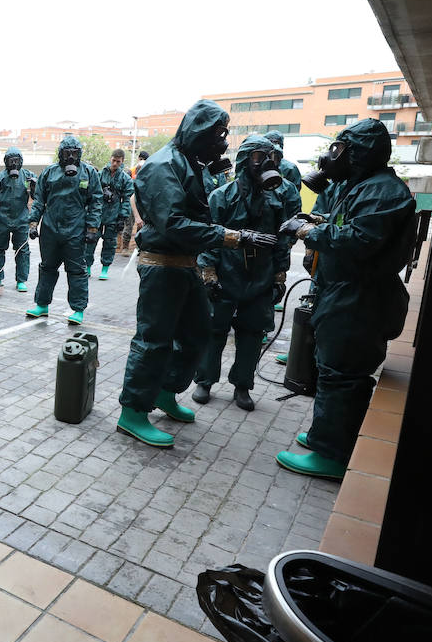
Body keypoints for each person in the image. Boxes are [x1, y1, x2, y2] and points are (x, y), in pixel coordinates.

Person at [116, 100, 279, 448]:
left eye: (224, 134)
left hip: (185, 264)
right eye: (217, 134)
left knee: (196, 334)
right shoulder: (163, 166)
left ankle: (164, 391)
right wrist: (232, 236)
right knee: (153, 340)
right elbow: (174, 223)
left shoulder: (189, 162)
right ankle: (132, 411)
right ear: (198, 132)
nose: (221, 142)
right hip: (163, 265)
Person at [274, 118, 415, 479]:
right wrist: (318, 219)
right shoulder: (365, 185)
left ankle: (332, 454)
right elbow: (346, 224)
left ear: (360, 151)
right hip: (345, 293)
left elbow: (358, 240)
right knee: (333, 368)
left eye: (339, 148)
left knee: (342, 374)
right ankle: (331, 434)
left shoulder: (383, 190)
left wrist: (308, 231)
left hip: (358, 299)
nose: (331, 156)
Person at [191, 135, 299, 411]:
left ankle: (242, 385)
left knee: (252, 332)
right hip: (227, 271)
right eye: (257, 157)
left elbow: (282, 239)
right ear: (244, 160)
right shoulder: (221, 196)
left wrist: (279, 275)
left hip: (260, 275)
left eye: (269, 157)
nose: (264, 163)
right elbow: (210, 236)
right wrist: (209, 272)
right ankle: (204, 380)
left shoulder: (276, 200)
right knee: (215, 329)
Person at [26, 135, 101, 325]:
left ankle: (77, 309)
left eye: (74, 154)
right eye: (67, 153)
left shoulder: (89, 173)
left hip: (75, 229)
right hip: (50, 229)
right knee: (47, 267)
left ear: (79, 155)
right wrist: (33, 222)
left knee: (76, 270)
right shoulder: (49, 173)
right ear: (60, 154)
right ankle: (42, 305)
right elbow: (39, 200)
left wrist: (93, 227)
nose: (70, 157)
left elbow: (96, 201)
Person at [0, 147, 35, 291]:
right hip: (2, 219)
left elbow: (37, 197)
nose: (14, 164)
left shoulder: (28, 176)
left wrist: (34, 186)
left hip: (21, 219)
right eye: (10, 161)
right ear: (5, 162)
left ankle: (21, 280)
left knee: (22, 250)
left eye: (17, 161)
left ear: (21, 161)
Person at [89, 149, 133, 280]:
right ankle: (88, 267)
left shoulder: (125, 178)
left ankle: (105, 269)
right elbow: (92, 192)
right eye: (113, 160)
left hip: (113, 214)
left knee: (109, 243)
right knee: (90, 241)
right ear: (110, 159)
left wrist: (122, 217)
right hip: (98, 213)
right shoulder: (101, 174)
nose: (115, 163)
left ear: (122, 161)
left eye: (118, 161)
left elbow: (127, 199)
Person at [119, 150, 149, 254]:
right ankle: (125, 247)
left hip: (142, 203)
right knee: (129, 224)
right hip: (131, 202)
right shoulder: (131, 172)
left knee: (141, 225)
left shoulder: (148, 174)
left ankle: (138, 248)